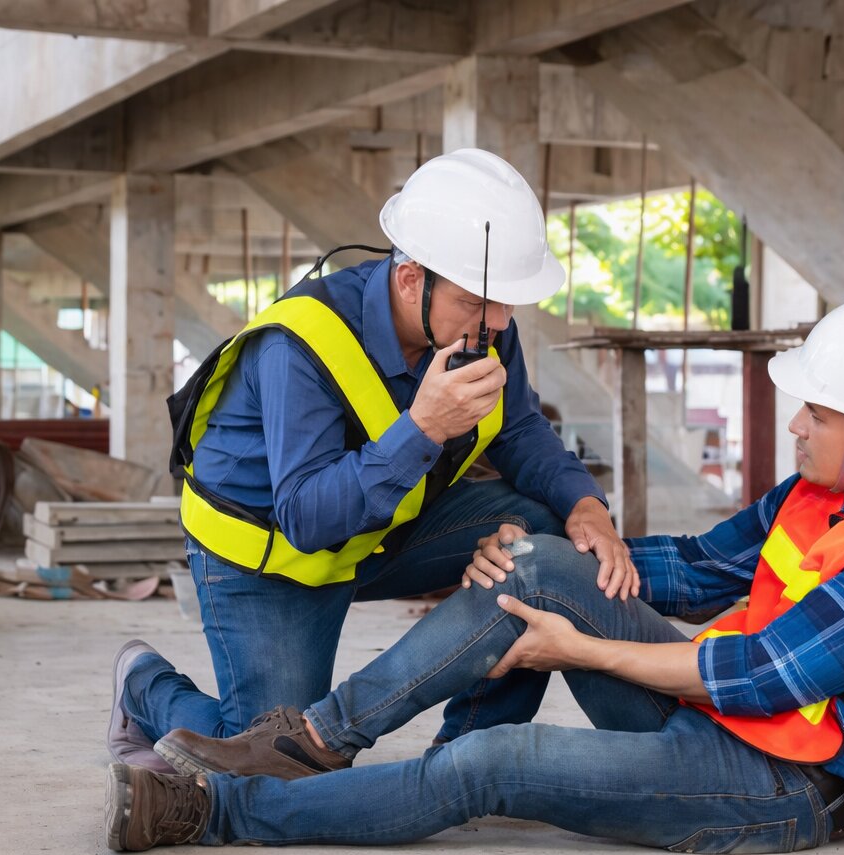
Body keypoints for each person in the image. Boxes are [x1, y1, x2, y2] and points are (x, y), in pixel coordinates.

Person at [104, 293, 844, 854]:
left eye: (818, 414)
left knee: (495, 764)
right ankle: (319, 740)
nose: (798, 426)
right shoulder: (824, 493)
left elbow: (757, 674)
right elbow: (697, 570)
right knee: (533, 558)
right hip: (726, 719)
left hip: (783, 785)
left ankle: (216, 811)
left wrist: (574, 649)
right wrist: (565, 555)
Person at [108, 149, 635, 773]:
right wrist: (423, 428)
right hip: (272, 556)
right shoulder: (298, 346)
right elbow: (308, 518)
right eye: (477, 301)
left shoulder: (483, 326)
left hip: (382, 529)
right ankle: (143, 686)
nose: (497, 321)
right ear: (411, 280)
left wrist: (586, 505)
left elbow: (519, 427)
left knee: (542, 531)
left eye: (507, 303)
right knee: (281, 762)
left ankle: (468, 755)